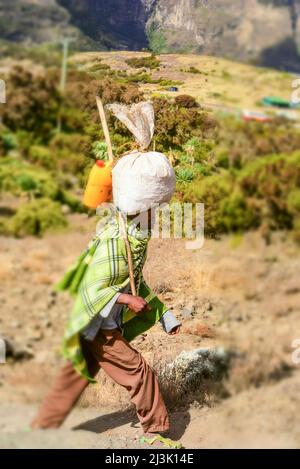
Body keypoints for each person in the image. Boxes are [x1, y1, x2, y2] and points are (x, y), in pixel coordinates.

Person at [31, 151, 182, 448]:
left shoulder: (132, 239)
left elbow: (134, 282)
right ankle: (155, 432)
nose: (156, 216)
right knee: (138, 370)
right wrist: (126, 300)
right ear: (141, 210)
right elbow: (93, 288)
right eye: (153, 211)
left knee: (77, 374)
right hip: (97, 320)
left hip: (91, 319)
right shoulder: (115, 242)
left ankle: (41, 429)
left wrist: (165, 317)